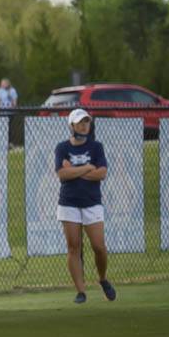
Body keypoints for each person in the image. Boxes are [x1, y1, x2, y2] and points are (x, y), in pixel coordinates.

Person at [55, 108, 116, 304]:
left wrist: (74, 170)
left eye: (87, 122)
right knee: (73, 247)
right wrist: (87, 168)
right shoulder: (62, 147)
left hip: (91, 203)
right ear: (71, 125)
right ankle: (81, 291)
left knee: (98, 246)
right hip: (69, 203)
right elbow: (62, 175)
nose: (84, 125)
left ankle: (103, 278)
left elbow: (102, 174)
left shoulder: (96, 147)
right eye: (80, 122)